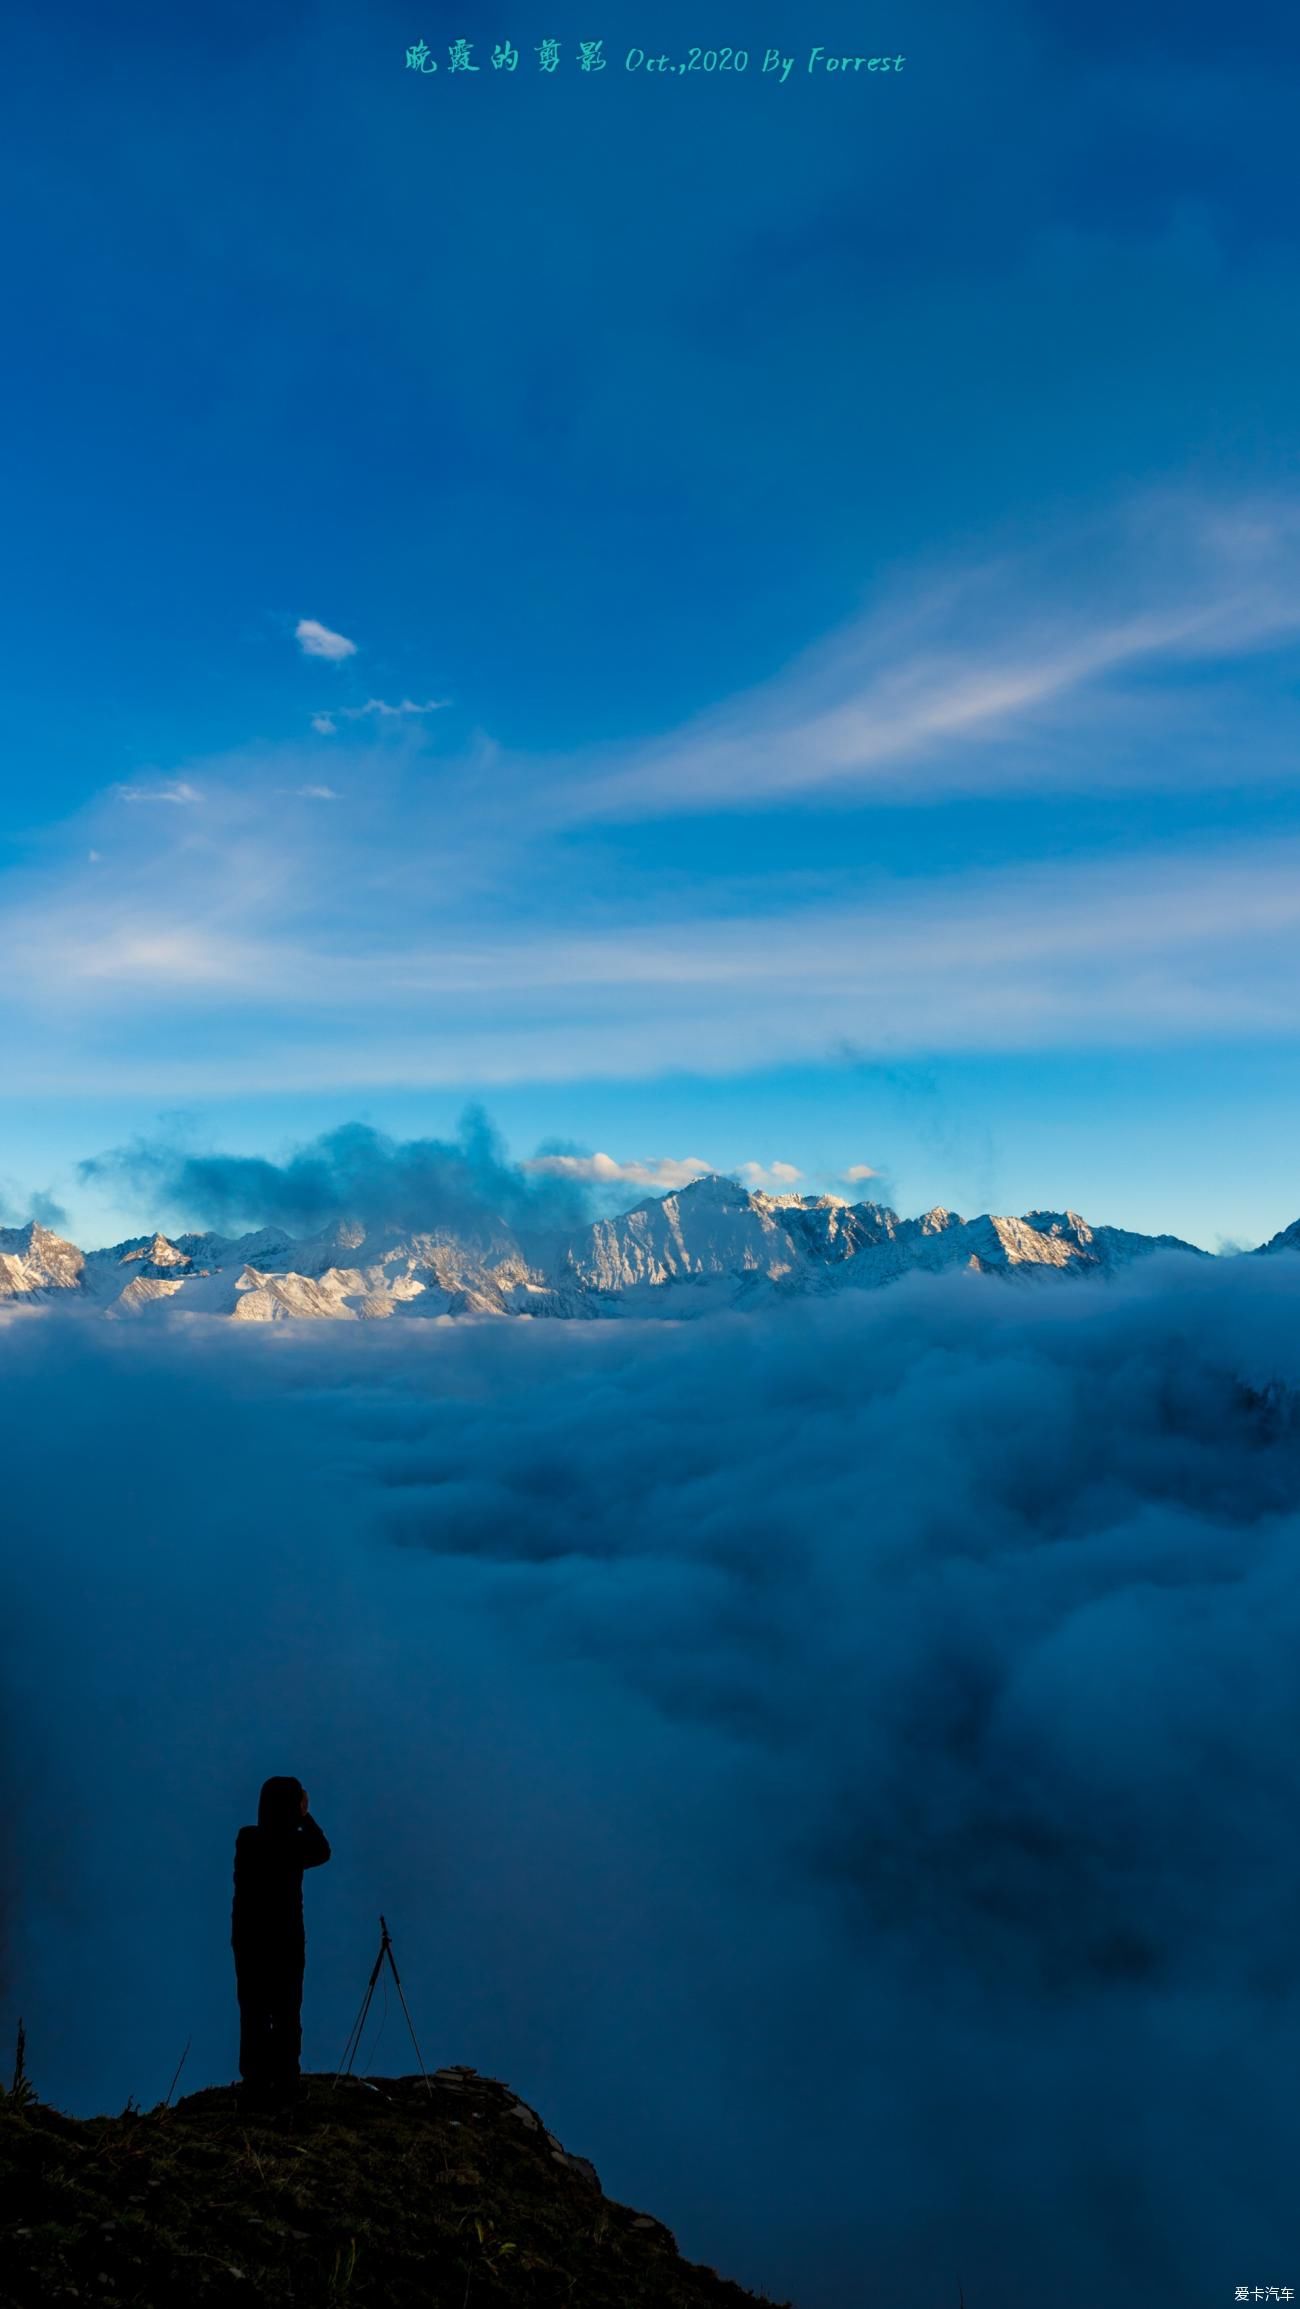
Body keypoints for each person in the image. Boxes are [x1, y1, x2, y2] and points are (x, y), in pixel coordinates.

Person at [231, 1776, 330, 2104]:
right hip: (286, 1939)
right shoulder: (293, 1843)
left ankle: (256, 2082)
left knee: (254, 2010)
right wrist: (304, 1816)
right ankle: (286, 2080)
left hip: (250, 1940)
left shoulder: (248, 1839)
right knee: (287, 2010)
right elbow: (323, 1850)